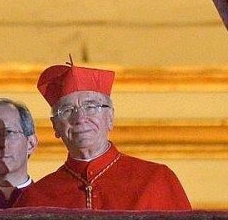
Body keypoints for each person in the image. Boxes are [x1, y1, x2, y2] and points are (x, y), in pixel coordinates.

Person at [14, 60, 191, 210]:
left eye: (91, 107)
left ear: (110, 117)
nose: (80, 118)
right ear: (56, 127)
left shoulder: (156, 180)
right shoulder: (35, 199)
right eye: (67, 110)